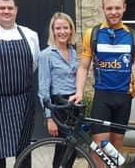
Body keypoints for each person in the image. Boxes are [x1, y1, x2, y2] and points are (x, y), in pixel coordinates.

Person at [70, 0, 135, 168]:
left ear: (124, 8)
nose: (113, 12)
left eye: (117, 8)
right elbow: (83, 66)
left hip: (123, 98)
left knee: (116, 147)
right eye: (109, 8)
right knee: (99, 146)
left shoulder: (134, 36)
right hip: (102, 97)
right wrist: (79, 92)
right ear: (103, 9)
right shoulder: (93, 34)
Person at [0, 0, 40, 168]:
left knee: (24, 151)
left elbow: (33, 64)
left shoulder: (30, 35)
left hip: (23, 100)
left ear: (16, 10)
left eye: (10, 8)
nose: (6, 11)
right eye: (2, 8)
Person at [38, 12, 78, 168]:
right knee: (62, 148)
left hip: (74, 104)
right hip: (58, 105)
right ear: (53, 31)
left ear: (71, 30)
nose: (62, 31)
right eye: (58, 28)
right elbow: (43, 89)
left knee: (73, 148)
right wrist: (49, 118)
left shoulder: (74, 52)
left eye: (65, 28)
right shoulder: (46, 55)